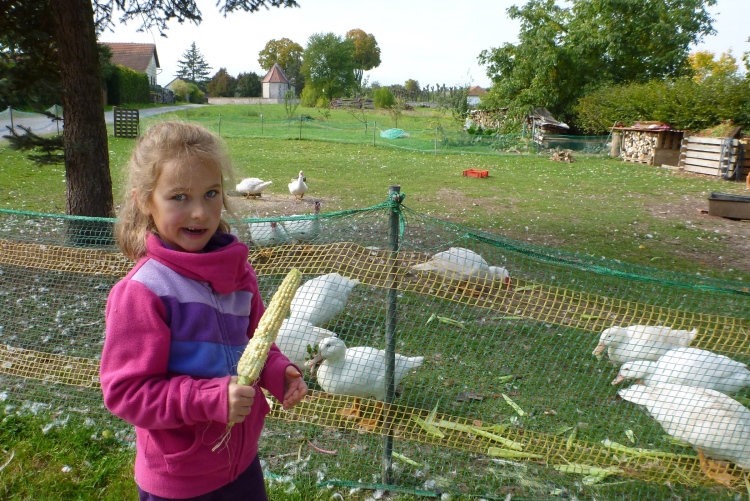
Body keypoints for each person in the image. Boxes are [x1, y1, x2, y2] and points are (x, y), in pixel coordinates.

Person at [100, 121, 307, 500]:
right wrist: (209, 399)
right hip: (180, 479)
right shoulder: (143, 292)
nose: (199, 212)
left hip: (241, 465)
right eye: (179, 197)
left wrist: (279, 371)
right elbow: (126, 393)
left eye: (211, 193)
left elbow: (256, 343)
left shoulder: (238, 274)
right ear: (145, 201)